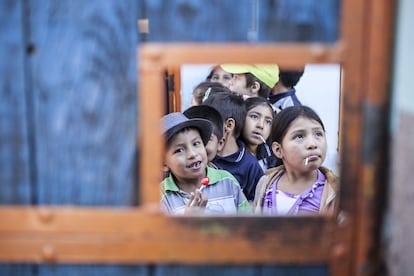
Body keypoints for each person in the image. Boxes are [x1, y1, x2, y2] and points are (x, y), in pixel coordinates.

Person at [253, 106, 338, 215]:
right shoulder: (265, 184)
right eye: (299, 136)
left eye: (318, 134)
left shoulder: (335, 192)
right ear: (278, 150)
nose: (312, 144)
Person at [160, 112, 251, 215]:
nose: (192, 154)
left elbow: (249, 225)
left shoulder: (227, 182)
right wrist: (188, 222)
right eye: (179, 150)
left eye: (196, 144)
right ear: (164, 164)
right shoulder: (160, 197)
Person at [202, 92, 264, 202]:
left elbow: (257, 204)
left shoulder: (250, 165)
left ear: (229, 125)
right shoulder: (203, 157)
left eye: (209, 122)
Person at [241, 97, 276, 172]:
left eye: (268, 122)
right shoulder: (232, 155)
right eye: (254, 117)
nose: (261, 125)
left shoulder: (272, 158)